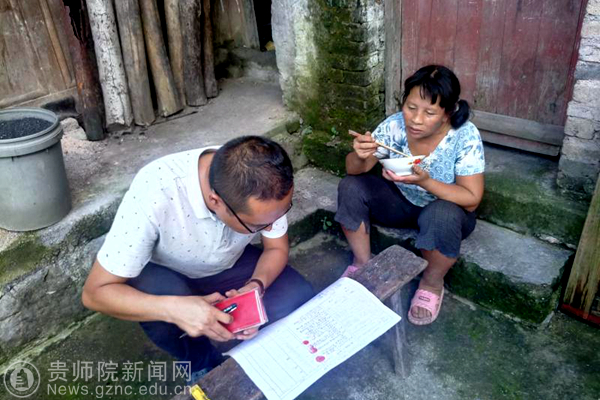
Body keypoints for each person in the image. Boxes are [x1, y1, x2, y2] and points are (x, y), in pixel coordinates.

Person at [81, 136, 314, 381]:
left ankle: (257, 354)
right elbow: (94, 293)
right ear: (216, 201)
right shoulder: (155, 191)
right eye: (257, 225)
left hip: (228, 264)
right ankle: (200, 362)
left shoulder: (264, 180)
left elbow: (276, 248)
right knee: (160, 316)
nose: (272, 227)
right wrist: (174, 310)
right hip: (168, 274)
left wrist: (255, 286)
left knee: (297, 296)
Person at [335, 65, 485, 325]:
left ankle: (432, 283)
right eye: (411, 107)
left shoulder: (464, 136)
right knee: (351, 186)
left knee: (441, 214)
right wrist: (360, 155)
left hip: (445, 212)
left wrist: (426, 182)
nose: (416, 119)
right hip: (401, 201)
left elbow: (471, 199)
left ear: (448, 113)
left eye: (429, 112)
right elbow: (354, 170)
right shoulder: (395, 126)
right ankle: (362, 264)